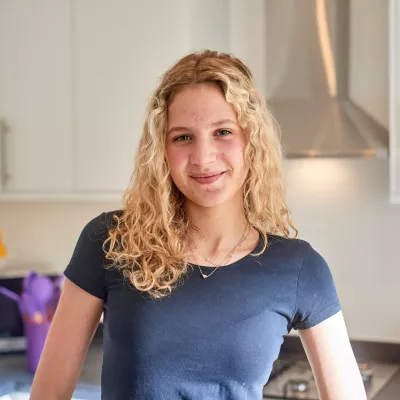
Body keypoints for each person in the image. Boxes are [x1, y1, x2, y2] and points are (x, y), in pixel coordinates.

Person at [30, 50, 366, 399]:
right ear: (162, 149)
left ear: (252, 140)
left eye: (222, 132)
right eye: (183, 137)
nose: (203, 158)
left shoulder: (299, 268)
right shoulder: (110, 241)